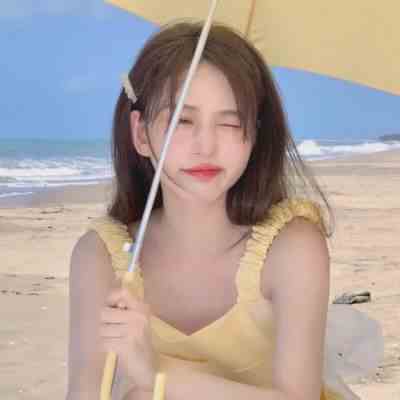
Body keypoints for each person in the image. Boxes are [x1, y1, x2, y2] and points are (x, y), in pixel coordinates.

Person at [66, 22, 383, 400]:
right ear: (141, 133)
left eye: (230, 122)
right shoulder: (100, 257)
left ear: (255, 135)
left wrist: (156, 376)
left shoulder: (291, 248)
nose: (206, 145)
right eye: (183, 121)